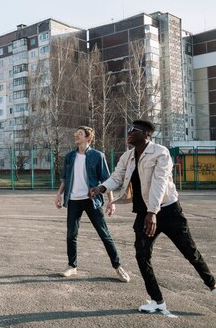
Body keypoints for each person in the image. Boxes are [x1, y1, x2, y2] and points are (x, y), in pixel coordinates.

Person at [89, 119, 216, 314]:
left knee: (190, 252)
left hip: (167, 210)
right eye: (128, 129)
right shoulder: (128, 156)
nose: (128, 132)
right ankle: (157, 300)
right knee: (142, 254)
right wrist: (101, 187)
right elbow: (117, 176)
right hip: (144, 213)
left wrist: (152, 212)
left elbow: (160, 182)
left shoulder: (160, 153)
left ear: (146, 134)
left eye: (133, 130)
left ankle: (213, 285)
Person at [55, 126, 130, 282]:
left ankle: (118, 267)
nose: (76, 136)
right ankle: (72, 266)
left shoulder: (98, 156)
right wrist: (58, 195)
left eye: (80, 134)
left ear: (88, 138)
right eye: (76, 133)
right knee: (71, 235)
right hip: (73, 200)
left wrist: (111, 201)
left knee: (104, 234)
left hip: (91, 200)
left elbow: (106, 180)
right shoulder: (70, 156)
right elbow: (65, 178)